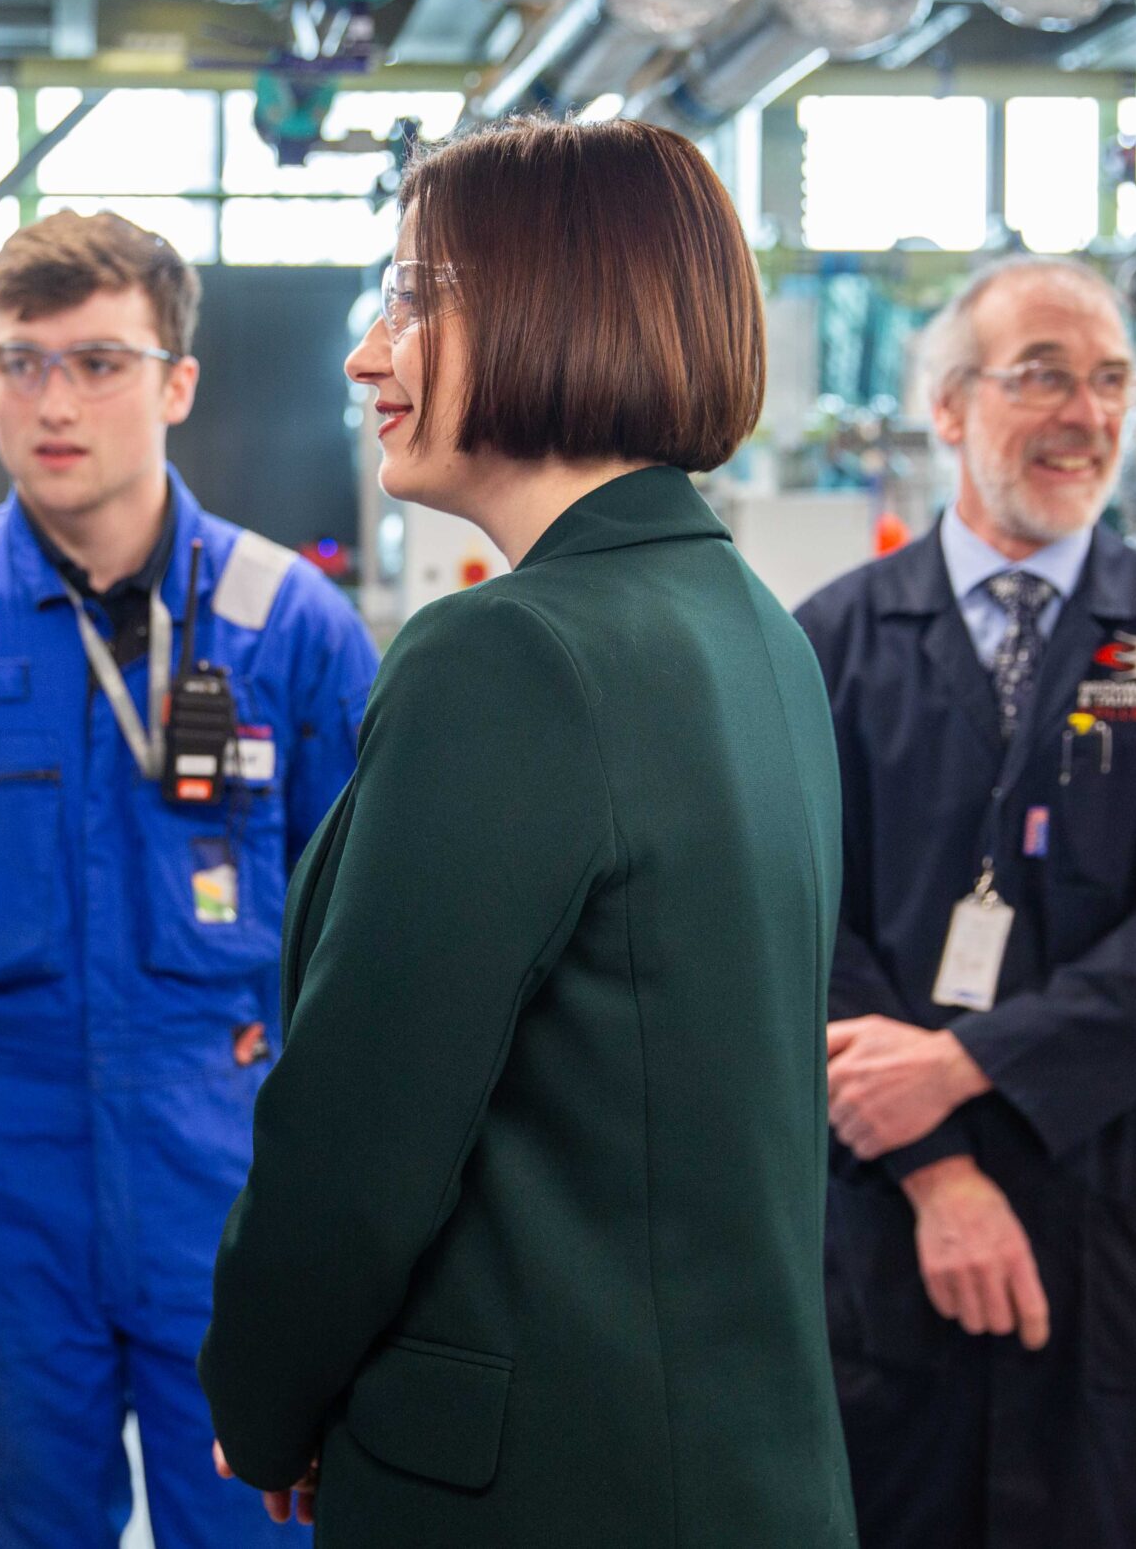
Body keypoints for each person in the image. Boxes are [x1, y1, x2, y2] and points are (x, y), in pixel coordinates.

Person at [199, 117, 857, 1548]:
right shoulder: (752, 631)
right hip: (729, 1469)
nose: (371, 355)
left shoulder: (506, 657)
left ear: (559, 305)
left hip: (541, 1484)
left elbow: (358, 1140)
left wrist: (267, 1398)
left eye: (415, 296)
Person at [0, 209, 381, 1547]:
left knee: (257, 1523)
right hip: (1, 1164)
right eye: (22, 361)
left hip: (230, 1160)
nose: (55, 400)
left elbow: (356, 905)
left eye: (101, 362)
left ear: (178, 381)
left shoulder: (289, 618)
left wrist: (266, 1062)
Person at [795, 256, 1136, 1549]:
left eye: (1112, 377)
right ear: (949, 407)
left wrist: (962, 1062)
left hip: (1117, 1207)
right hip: (889, 1207)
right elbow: (794, 921)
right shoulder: (827, 645)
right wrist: (937, 1164)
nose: (1085, 412)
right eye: (1044, 374)